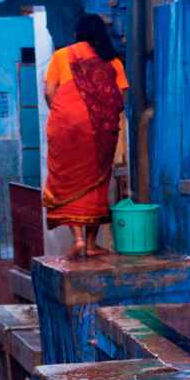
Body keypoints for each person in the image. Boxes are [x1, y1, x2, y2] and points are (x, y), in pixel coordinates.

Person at [42, 14, 128, 258]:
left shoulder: (62, 55)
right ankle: (91, 245)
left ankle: (78, 239)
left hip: (65, 126)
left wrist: (64, 116)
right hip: (99, 128)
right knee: (98, 181)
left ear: (78, 33)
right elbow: (120, 99)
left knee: (66, 178)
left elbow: (49, 92)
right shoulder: (113, 62)